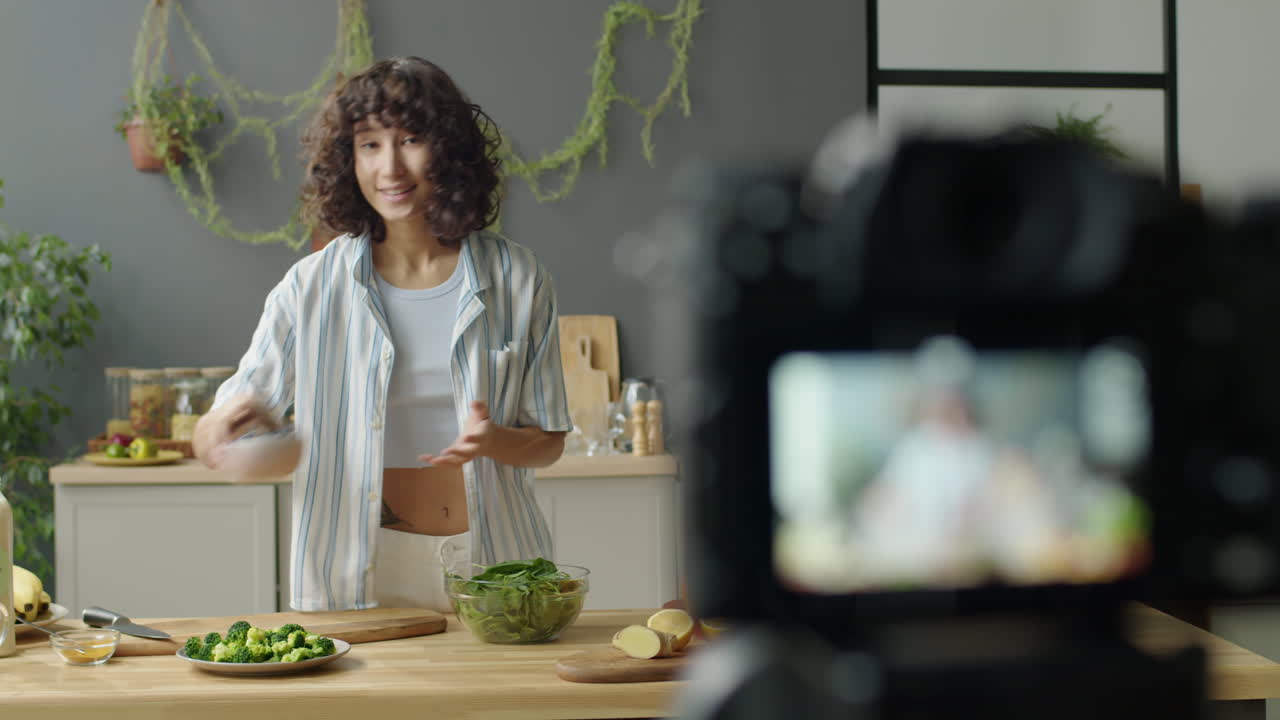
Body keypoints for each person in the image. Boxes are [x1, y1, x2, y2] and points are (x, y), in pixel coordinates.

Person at [193, 56, 572, 612]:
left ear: (448, 149)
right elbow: (224, 420)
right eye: (369, 144)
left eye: (411, 139)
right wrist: (218, 434)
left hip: (493, 565)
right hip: (353, 570)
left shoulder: (517, 278)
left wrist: (494, 441)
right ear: (348, 158)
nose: (390, 167)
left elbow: (549, 440)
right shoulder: (311, 287)